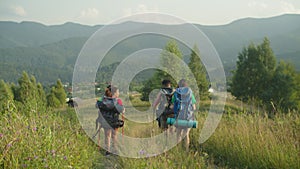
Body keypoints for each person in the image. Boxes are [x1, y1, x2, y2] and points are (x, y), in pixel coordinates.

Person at [96, 85, 125, 156]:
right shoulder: (118, 100)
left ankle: (107, 151)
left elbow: (97, 106)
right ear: (114, 93)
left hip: (105, 120)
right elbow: (122, 110)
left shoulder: (101, 99)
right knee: (114, 135)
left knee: (107, 136)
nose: (119, 93)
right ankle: (114, 149)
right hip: (115, 120)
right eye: (118, 92)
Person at [172, 79, 196, 152]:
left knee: (178, 134)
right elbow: (194, 107)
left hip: (179, 118)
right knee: (186, 134)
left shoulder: (176, 93)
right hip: (188, 118)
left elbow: (174, 107)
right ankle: (187, 150)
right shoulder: (190, 93)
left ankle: (178, 150)